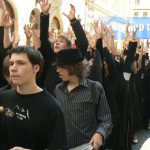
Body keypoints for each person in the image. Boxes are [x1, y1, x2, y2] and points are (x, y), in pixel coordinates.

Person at [0, 46, 68, 150]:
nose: (13, 68)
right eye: (11, 63)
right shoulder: (3, 97)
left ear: (36, 68)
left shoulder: (52, 107)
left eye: (21, 63)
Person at [54, 48, 112, 149]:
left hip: (87, 147)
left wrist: (100, 133)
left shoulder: (95, 88)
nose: (57, 70)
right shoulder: (58, 89)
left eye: (61, 67)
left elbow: (106, 120)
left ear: (72, 67)